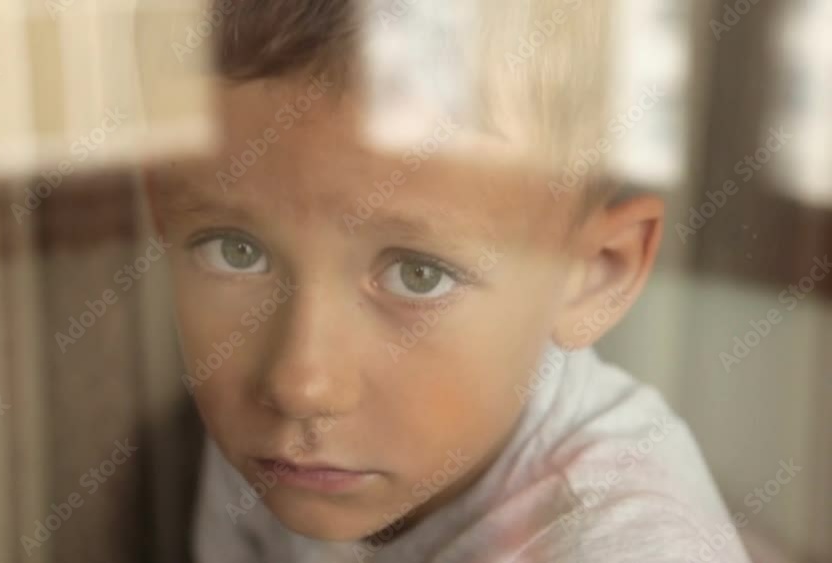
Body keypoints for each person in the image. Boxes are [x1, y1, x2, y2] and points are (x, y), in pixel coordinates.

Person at [141, 1, 752, 561]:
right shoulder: (284, 444)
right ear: (162, 219)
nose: (301, 385)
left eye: (419, 275)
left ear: (597, 273)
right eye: (237, 251)